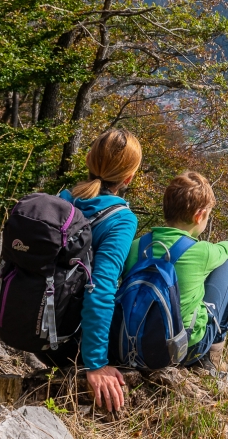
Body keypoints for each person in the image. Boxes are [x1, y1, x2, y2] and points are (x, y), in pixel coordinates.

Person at [44, 129, 141, 412]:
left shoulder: (60, 200)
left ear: (88, 160)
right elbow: (101, 288)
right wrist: (95, 363)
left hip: (36, 330)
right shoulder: (120, 219)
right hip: (69, 342)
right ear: (128, 178)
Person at [123, 170, 228, 370]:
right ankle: (213, 355)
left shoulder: (137, 245)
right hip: (182, 351)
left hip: (134, 343)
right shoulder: (202, 251)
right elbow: (227, 249)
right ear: (199, 215)